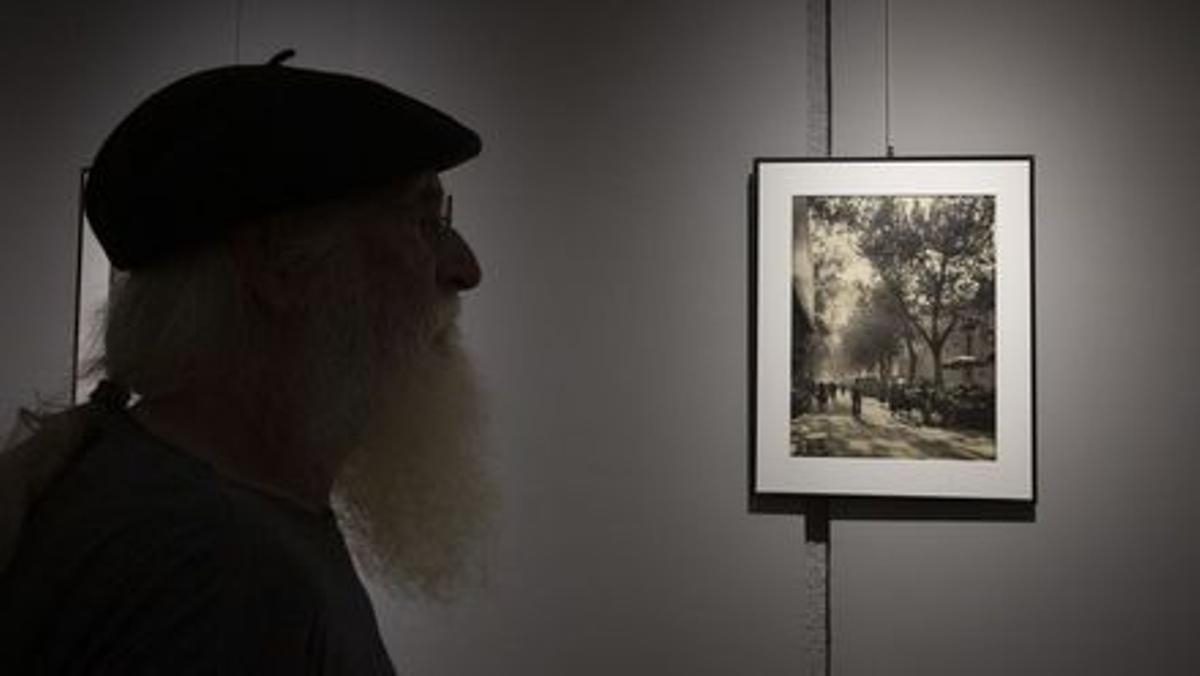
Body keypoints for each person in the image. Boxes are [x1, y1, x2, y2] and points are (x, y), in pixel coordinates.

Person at [0, 51, 495, 674]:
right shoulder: (212, 571)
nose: (465, 266)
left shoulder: (191, 511)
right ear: (278, 263)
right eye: (421, 218)